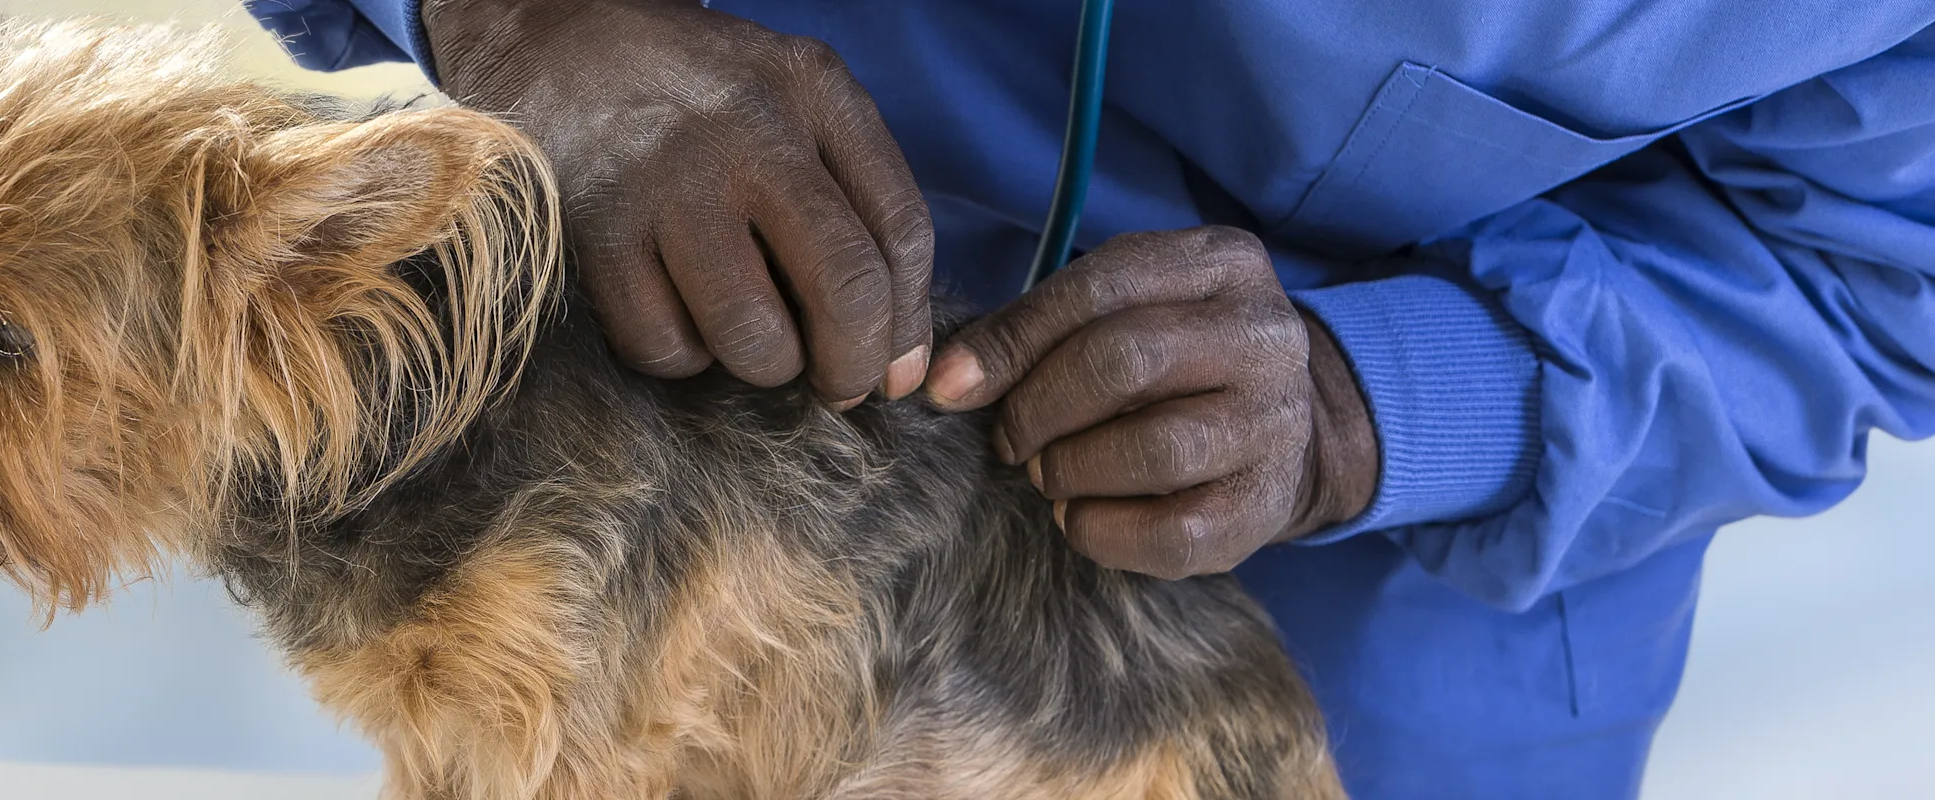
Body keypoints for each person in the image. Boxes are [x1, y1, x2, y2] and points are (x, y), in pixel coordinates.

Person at [241, 1, 1935, 796]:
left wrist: (1385, 398)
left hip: (1375, 666)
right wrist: (516, 11)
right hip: (612, 569)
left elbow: (1873, 273)